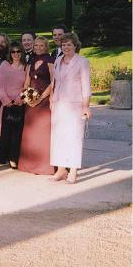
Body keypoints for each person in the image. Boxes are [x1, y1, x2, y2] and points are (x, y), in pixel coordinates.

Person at [50, 32, 92, 184]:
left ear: (75, 45)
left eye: (69, 44)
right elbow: (55, 82)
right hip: (59, 104)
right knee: (59, 137)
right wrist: (52, 100)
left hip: (75, 105)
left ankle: (73, 170)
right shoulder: (58, 60)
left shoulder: (82, 62)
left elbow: (86, 86)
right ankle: (61, 170)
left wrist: (86, 106)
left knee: (74, 137)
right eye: (63, 44)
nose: (66, 47)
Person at [0, 41, 26, 171]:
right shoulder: (4, 65)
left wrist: (20, 99)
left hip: (19, 104)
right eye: (13, 52)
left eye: (18, 51)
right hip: (4, 104)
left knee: (15, 134)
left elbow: (27, 85)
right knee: (1, 133)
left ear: (21, 52)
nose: (16, 54)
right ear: (10, 53)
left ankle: (13, 158)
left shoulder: (26, 67)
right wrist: (6, 100)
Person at [18, 36, 55, 175]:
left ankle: (44, 166)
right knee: (30, 132)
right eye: (36, 45)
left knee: (43, 133)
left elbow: (53, 82)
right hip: (31, 102)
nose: (38, 48)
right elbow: (26, 82)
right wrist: (27, 97)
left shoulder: (50, 61)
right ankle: (29, 165)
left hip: (44, 102)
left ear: (46, 47)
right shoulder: (31, 61)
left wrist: (40, 99)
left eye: (41, 46)